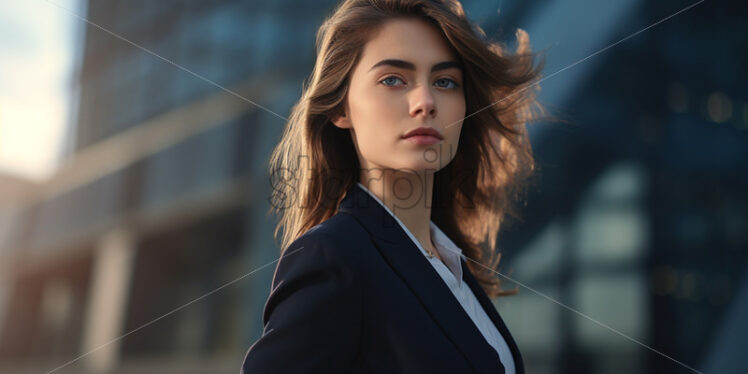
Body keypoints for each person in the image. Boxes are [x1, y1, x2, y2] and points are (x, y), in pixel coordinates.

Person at [242, 0, 542, 372]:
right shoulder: (333, 256)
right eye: (392, 79)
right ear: (341, 108)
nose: (425, 102)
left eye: (445, 82)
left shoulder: (453, 265)